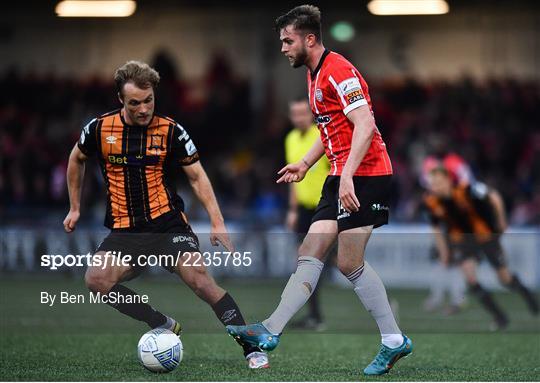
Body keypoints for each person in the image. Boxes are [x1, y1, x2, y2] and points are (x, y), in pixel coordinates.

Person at [227, 5, 412, 376]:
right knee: (309, 249)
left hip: (366, 175)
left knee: (348, 263)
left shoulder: (339, 70)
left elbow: (365, 124)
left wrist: (347, 176)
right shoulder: (313, 75)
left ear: (309, 39)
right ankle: (270, 330)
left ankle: (394, 340)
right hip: (340, 174)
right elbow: (331, 130)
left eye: (287, 40)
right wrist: (307, 164)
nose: (283, 47)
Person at [63, 60, 269, 369]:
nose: (144, 109)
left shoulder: (171, 130)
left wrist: (217, 220)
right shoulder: (99, 129)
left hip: (166, 223)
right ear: (121, 99)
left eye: (149, 100)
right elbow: (76, 158)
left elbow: (197, 177)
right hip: (126, 230)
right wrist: (75, 206)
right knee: (96, 279)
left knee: (201, 282)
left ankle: (251, 348)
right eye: (135, 103)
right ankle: (160, 322)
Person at [424, 166, 539, 329]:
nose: (435, 187)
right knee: (470, 279)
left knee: (505, 279)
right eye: (431, 184)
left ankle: (527, 295)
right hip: (463, 242)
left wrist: (501, 220)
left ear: (448, 180)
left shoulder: (466, 189)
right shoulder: (432, 201)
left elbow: (494, 196)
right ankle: (500, 318)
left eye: (438, 183)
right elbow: (435, 228)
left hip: (486, 237)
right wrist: (444, 252)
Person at [285, 98, 330, 330]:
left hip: (324, 208)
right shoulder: (290, 139)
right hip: (303, 210)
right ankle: (314, 315)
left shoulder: (322, 136)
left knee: (316, 262)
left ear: (311, 114)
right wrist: (292, 209)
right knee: (305, 262)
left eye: (302, 113)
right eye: (295, 114)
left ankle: (315, 315)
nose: (298, 118)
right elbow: (293, 177)